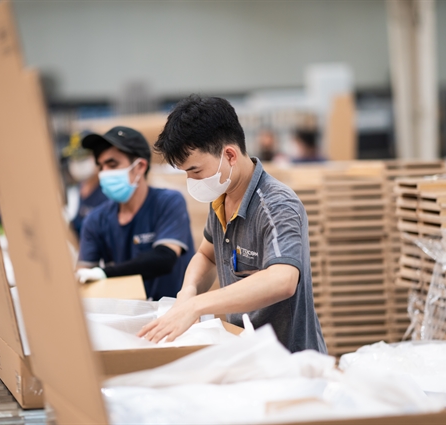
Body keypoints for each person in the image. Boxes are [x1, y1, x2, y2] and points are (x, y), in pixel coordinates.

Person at [139, 95, 326, 354]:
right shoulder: (221, 196)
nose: (192, 181)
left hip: (288, 359)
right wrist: (188, 292)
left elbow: (283, 279)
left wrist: (197, 305)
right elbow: (207, 255)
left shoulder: (277, 205)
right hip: (246, 351)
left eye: (195, 171)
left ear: (229, 155)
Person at [75, 126, 195, 301]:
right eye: (100, 167)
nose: (104, 173)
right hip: (125, 311)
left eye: (112, 165)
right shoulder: (96, 220)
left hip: (173, 309)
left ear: (139, 166)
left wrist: (104, 273)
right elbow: (83, 275)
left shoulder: (168, 202)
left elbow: (164, 258)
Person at [64, 133, 108, 236]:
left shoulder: (108, 193)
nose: (79, 163)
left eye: (83, 157)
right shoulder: (74, 191)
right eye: (74, 159)